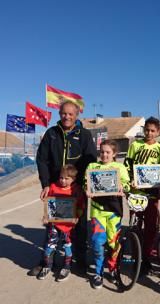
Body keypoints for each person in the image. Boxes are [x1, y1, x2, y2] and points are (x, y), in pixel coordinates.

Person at [34, 100, 97, 275]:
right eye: (64, 113)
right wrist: (46, 184)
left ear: (77, 115)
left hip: (76, 189)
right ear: (59, 114)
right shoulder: (51, 133)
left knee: (79, 225)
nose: (67, 117)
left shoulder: (84, 135)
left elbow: (91, 160)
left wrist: (87, 185)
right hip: (56, 187)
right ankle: (47, 261)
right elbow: (42, 160)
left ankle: (80, 260)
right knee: (53, 225)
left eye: (70, 114)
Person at [85, 140, 130, 289]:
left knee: (113, 243)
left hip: (114, 211)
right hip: (97, 210)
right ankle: (98, 273)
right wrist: (87, 189)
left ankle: (112, 268)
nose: (104, 154)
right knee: (97, 242)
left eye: (108, 152)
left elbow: (127, 183)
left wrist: (122, 188)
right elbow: (86, 182)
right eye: (102, 151)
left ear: (114, 154)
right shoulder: (92, 166)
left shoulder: (119, 167)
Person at [124, 117, 160, 275]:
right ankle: (136, 255)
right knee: (135, 226)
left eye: (153, 130)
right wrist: (130, 183)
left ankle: (146, 258)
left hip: (152, 193)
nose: (149, 133)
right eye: (147, 130)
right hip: (136, 192)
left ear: (158, 132)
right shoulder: (135, 145)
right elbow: (127, 165)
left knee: (150, 227)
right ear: (143, 130)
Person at [37, 164, 85, 282]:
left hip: (68, 226)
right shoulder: (53, 187)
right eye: (61, 177)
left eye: (66, 178)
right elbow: (49, 204)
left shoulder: (76, 190)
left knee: (67, 247)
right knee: (49, 246)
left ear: (73, 179)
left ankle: (66, 266)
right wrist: (46, 216)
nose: (63, 180)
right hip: (54, 224)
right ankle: (47, 265)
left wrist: (77, 216)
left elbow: (81, 205)